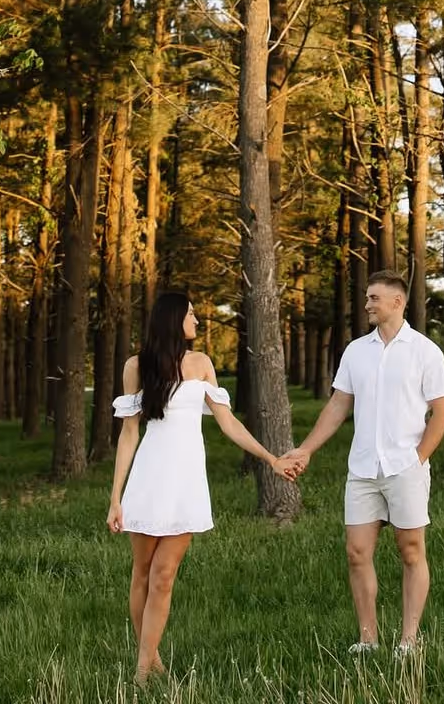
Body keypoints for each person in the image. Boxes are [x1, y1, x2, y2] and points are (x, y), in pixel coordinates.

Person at [107, 291, 299, 685]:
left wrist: (270, 459)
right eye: (192, 314)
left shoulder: (201, 364)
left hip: (186, 482)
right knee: (142, 571)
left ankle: (142, 671)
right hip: (148, 478)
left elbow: (228, 424)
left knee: (164, 574)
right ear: (173, 318)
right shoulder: (136, 366)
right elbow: (129, 435)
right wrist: (115, 498)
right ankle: (151, 659)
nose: (197, 320)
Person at [287, 270, 444, 657]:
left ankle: (409, 640)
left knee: (411, 550)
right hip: (362, 469)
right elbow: (338, 405)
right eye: (366, 298)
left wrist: (417, 460)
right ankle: (368, 639)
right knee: (356, 552)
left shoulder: (425, 351)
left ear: (397, 302)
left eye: (373, 298)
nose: (367, 305)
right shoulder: (356, 351)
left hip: (404, 467)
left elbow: (442, 414)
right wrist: (307, 448)